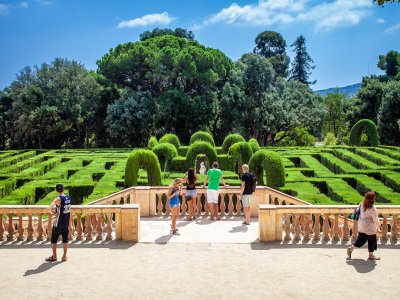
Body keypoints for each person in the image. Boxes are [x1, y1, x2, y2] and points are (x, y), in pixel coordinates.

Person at [347, 191, 381, 260]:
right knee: (372, 241)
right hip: (370, 227)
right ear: (373, 199)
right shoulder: (372, 208)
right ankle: (371, 255)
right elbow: (375, 219)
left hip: (361, 225)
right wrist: (379, 225)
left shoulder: (361, 203)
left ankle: (351, 248)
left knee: (361, 240)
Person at [46, 183, 71, 262]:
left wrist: (52, 212)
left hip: (58, 223)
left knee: (54, 240)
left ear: (57, 190)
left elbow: (49, 207)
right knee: (65, 239)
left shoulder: (58, 199)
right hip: (66, 223)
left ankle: (54, 256)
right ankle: (64, 256)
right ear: (63, 189)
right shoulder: (68, 197)